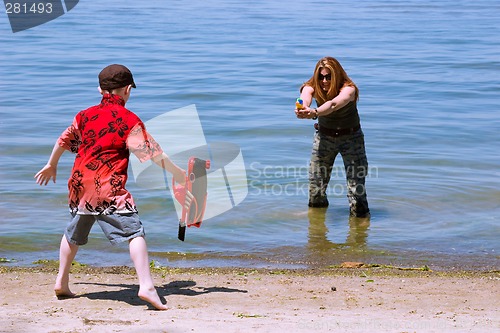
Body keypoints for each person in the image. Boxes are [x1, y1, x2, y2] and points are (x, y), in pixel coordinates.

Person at [35, 64, 186, 310]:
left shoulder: (84, 115)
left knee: (74, 232)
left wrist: (51, 165)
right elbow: (153, 153)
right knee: (134, 232)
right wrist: (178, 173)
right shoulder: (129, 119)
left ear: (100, 89)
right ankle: (146, 286)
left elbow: (63, 140)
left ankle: (61, 281)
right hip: (109, 187)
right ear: (127, 90)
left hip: (79, 184)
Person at [295, 56, 370, 217]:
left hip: (351, 139)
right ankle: (317, 227)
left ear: (336, 75)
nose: (324, 81)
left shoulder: (349, 89)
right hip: (324, 138)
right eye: (321, 77)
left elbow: (334, 104)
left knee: (356, 189)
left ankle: (361, 229)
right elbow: (305, 95)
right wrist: (303, 106)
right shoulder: (312, 86)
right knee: (316, 188)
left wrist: (314, 112)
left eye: (328, 76)